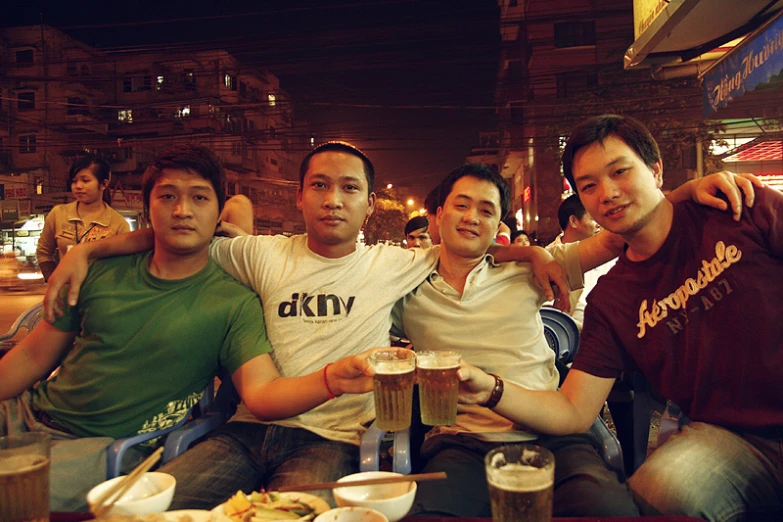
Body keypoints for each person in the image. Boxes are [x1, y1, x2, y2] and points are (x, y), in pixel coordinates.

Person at [43, 141, 571, 509]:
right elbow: (181, 231)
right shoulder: (260, 254)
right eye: (319, 185)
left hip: (332, 439)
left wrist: (528, 252)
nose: (333, 199)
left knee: (293, 514)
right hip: (244, 430)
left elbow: (472, 244)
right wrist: (88, 253)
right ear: (299, 196)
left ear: (369, 206)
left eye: (348, 189)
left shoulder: (398, 262)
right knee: (154, 506)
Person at [0, 144, 377, 511]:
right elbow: (33, 356)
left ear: (217, 216)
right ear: (147, 210)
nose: (182, 211)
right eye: (167, 197)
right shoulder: (98, 272)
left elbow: (261, 390)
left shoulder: (233, 300)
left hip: (107, 448)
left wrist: (333, 379)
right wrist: (86, 252)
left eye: (199, 198)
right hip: (24, 414)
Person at [457, 114, 781, 522]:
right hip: (729, 439)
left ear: (655, 168)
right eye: (589, 186)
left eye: (620, 171)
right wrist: (489, 387)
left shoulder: (739, 208)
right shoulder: (611, 300)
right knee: (653, 494)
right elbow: (574, 410)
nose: (607, 193)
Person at [393, 163, 640, 517]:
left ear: (498, 226)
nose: (472, 218)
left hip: (553, 433)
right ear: (438, 214)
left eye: (486, 210)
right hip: (461, 441)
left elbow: (619, 236)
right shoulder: (404, 284)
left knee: (606, 509)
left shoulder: (529, 270)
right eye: (461, 205)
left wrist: (689, 194)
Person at [36, 155, 130, 281]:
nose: (78, 186)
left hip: (100, 295)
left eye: (85, 181)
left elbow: (123, 266)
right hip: (65, 296)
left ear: (103, 184)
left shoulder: (118, 223)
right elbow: (44, 253)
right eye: (74, 181)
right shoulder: (58, 213)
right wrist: (54, 282)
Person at [548, 194, 613, 326]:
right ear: (573, 221)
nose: (599, 224)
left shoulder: (608, 254)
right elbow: (546, 314)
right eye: (593, 218)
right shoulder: (547, 260)